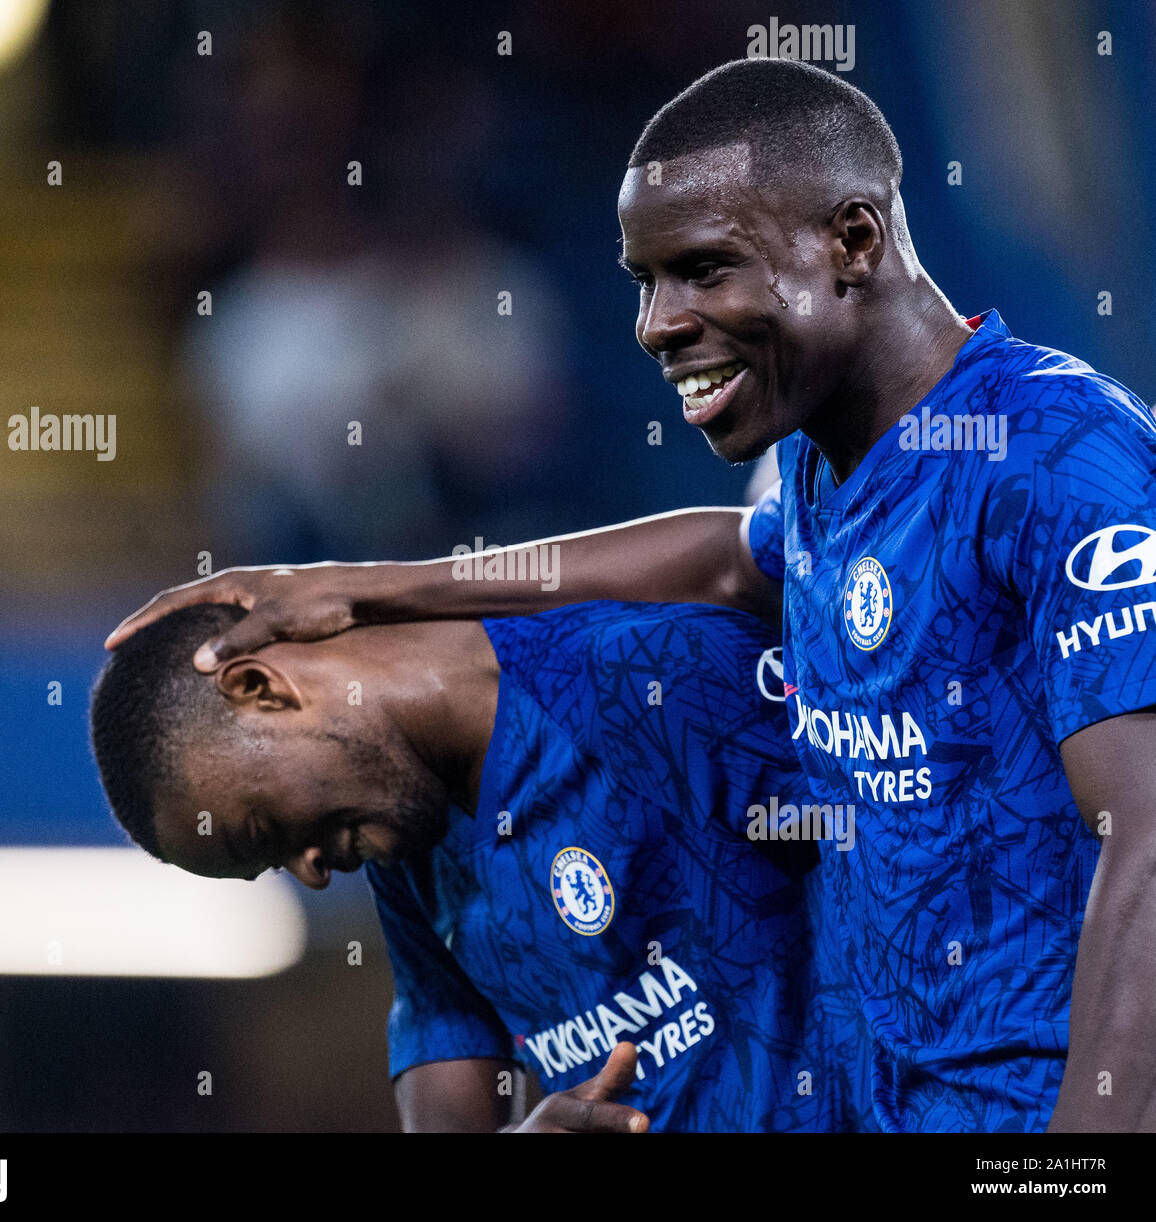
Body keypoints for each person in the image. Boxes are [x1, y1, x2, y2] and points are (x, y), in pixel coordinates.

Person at [108, 59, 1156, 1133]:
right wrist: (370, 590)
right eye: (645, 281)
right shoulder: (821, 477)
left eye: (703, 269)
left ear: (852, 242)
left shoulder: (1055, 451)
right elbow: (725, 558)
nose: (657, 322)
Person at [91, 599, 870, 1132]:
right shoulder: (403, 842)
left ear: (259, 688)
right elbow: (446, 1046)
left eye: (266, 830)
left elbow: (910, 875)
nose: (313, 872)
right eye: (275, 867)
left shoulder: (648, 679)